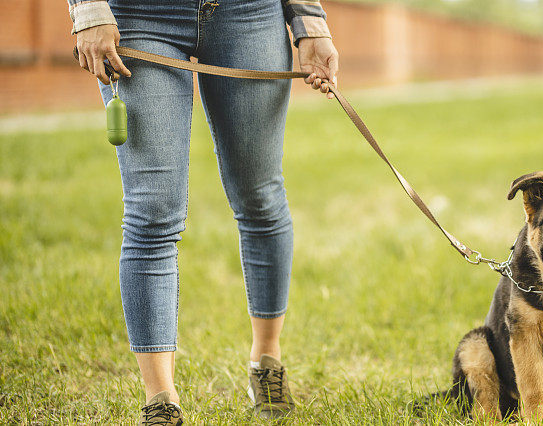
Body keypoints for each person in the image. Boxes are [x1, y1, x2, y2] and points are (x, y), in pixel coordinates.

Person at [68, 0, 339, 423]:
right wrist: (87, 9)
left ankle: (267, 361)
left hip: (249, 14)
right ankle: (161, 401)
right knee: (152, 212)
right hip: (140, 17)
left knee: (261, 199)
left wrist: (310, 22)